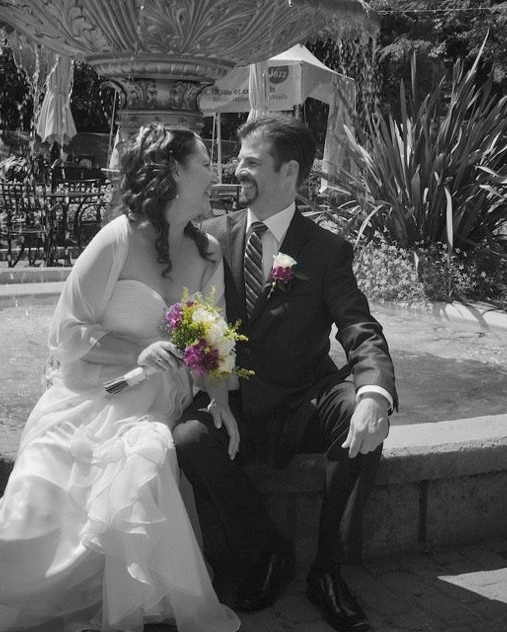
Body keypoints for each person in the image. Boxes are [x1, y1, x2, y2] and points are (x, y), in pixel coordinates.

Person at [0, 124, 241, 632]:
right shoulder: (118, 238)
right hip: (88, 397)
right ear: (172, 171)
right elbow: (69, 334)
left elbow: (211, 350)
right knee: (32, 505)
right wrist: (137, 350)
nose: (217, 171)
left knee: (144, 455)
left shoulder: (209, 252)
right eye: (205, 162)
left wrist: (221, 403)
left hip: (151, 408)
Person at [173, 114, 397, 632]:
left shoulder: (326, 249)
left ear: (289, 172)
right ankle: (266, 551)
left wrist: (374, 394)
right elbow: (186, 318)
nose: (237, 169)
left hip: (304, 403)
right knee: (187, 437)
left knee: (361, 415)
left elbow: (360, 330)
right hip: (234, 407)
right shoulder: (208, 238)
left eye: (251, 161)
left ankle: (328, 570)